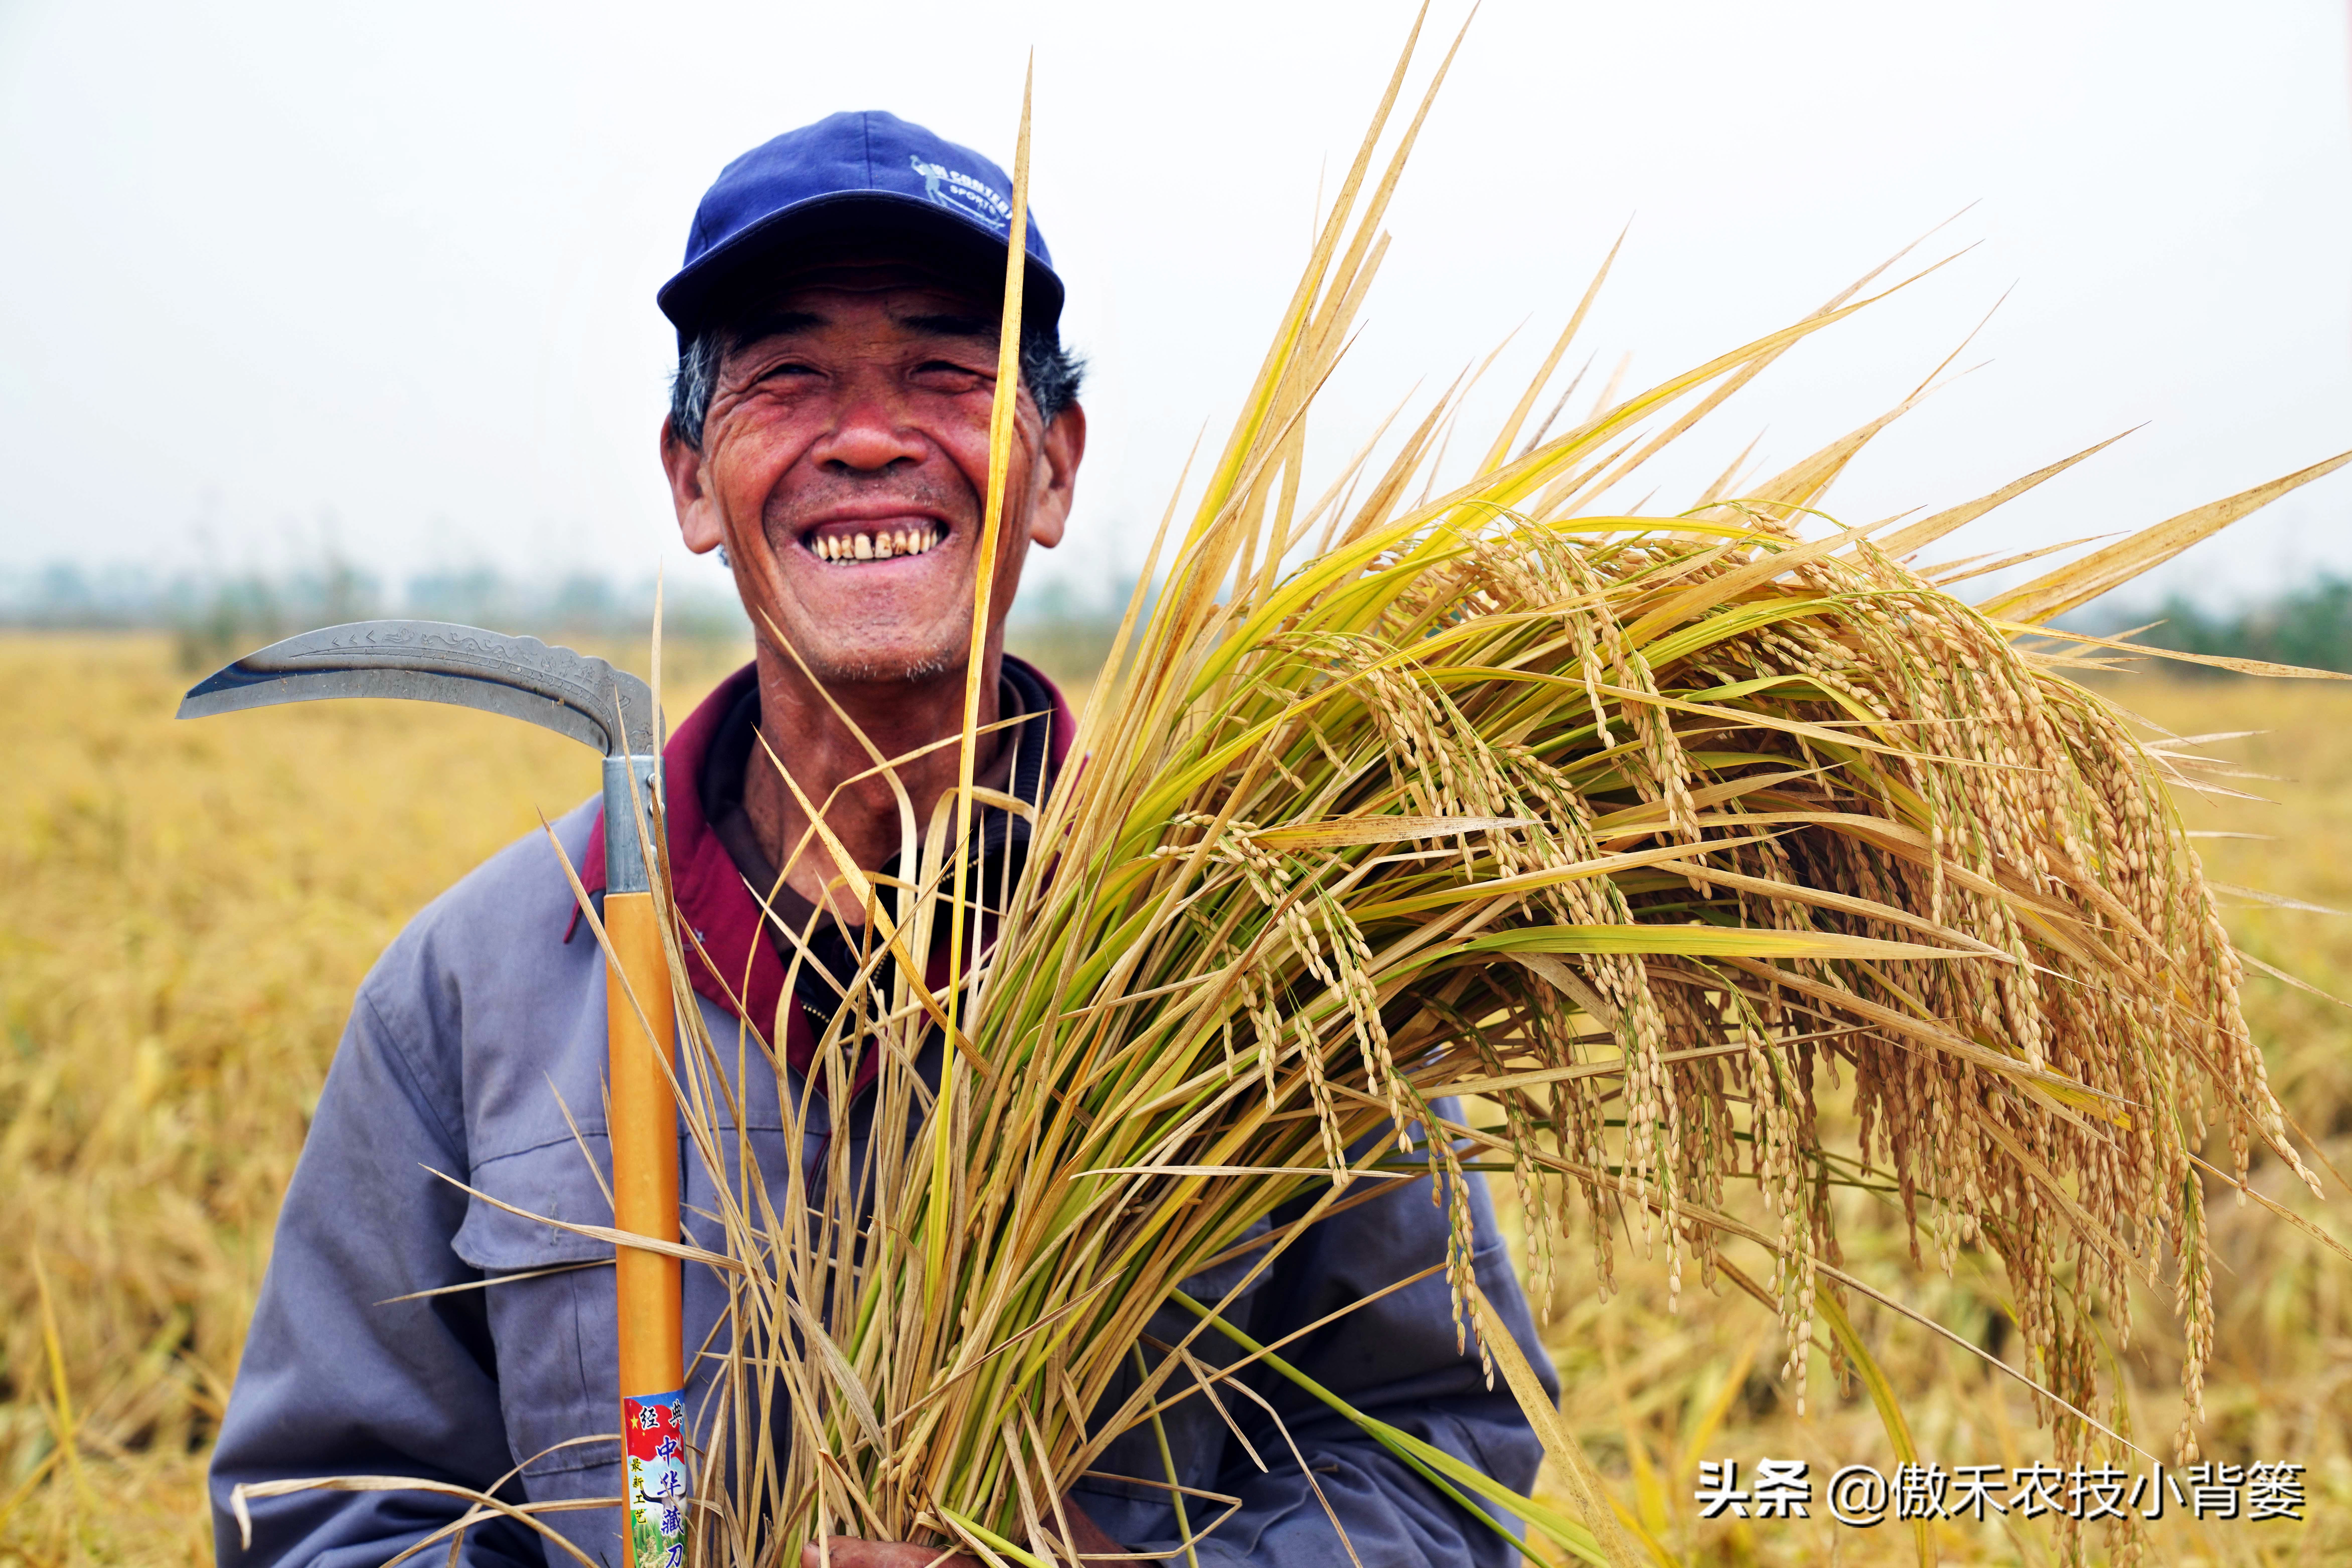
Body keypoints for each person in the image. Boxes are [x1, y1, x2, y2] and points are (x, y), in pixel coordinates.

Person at [208, 110, 1553, 1568]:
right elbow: (321, 1514)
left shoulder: (1262, 970)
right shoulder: (475, 989)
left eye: (946, 373)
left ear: (1051, 469)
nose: (863, 437)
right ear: (688, 478)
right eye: (786, 379)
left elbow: (1438, 1467)